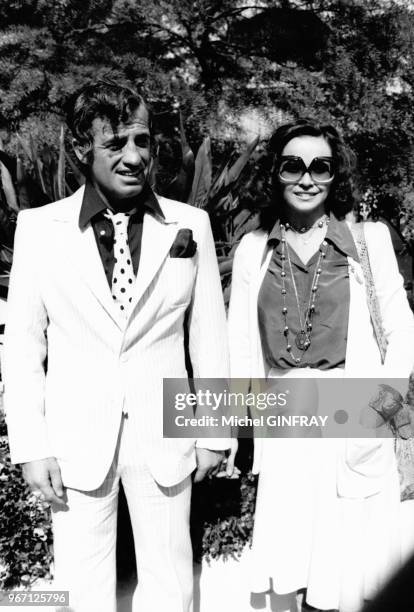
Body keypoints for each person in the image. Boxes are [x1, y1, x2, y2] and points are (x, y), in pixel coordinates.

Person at [3, 81, 230, 612]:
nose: (134, 158)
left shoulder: (190, 224)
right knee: (82, 587)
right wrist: (32, 447)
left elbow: (209, 341)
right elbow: (22, 348)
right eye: (116, 144)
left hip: (166, 436)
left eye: (143, 142)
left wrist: (214, 432)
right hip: (76, 441)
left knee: (171, 581)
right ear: (82, 149)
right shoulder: (39, 230)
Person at [227, 119, 414, 612]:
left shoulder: (369, 242)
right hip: (285, 422)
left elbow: (402, 333)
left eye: (321, 167)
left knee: (347, 566)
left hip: (351, 417)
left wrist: (379, 409)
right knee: (290, 563)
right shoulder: (253, 251)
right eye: (293, 166)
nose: (307, 179)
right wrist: (240, 431)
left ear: (336, 177)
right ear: (274, 173)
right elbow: (242, 346)